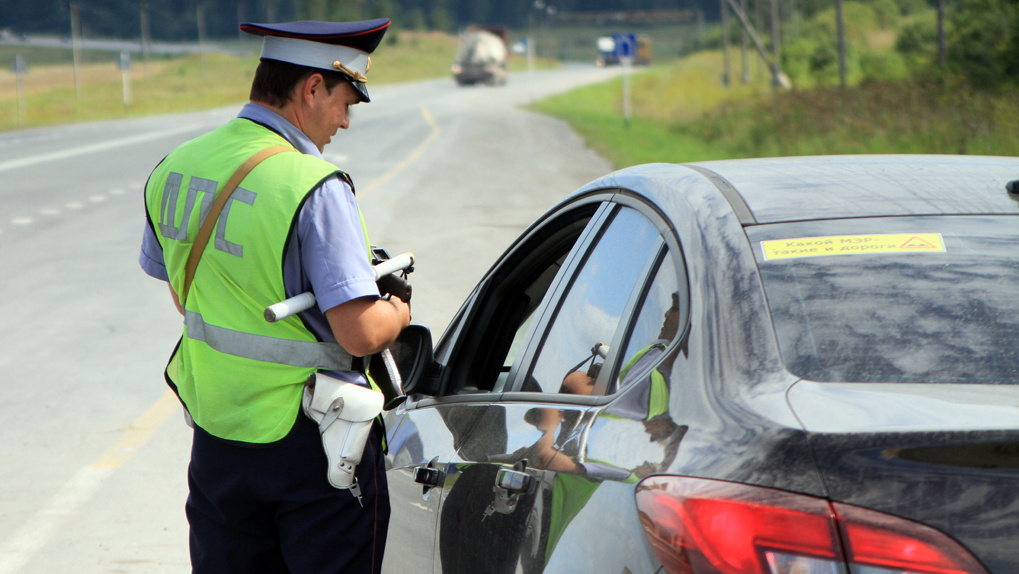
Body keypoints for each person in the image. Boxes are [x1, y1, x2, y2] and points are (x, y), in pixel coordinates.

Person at [137, 18, 410, 574]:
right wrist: (398, 311)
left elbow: (188, 296)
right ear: (312, 88)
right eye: (345, 101)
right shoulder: (314, 183)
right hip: (312, 444)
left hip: (218, 436)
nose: (345, 121)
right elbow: (357, 331)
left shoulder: (176, 165)